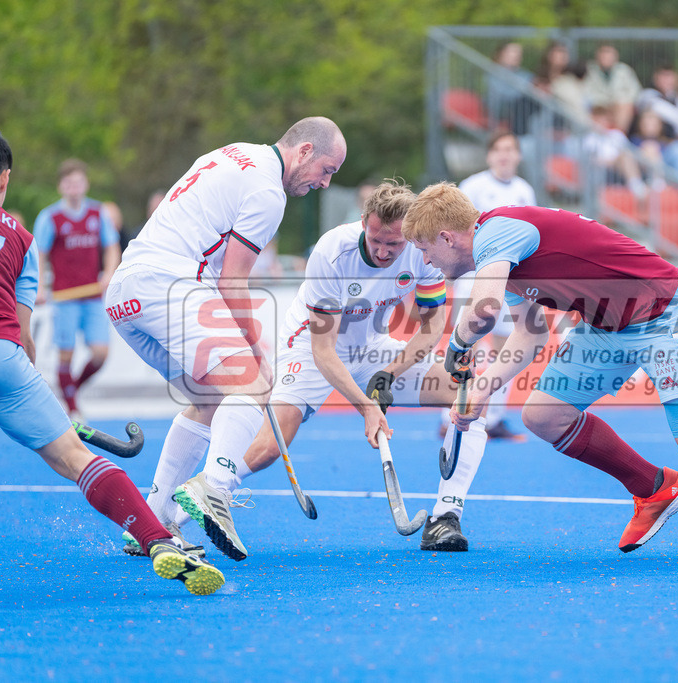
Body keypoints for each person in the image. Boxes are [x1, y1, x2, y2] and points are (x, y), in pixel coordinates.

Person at [402, 182, 678, 561]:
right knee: (543, 416)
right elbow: (529, 336)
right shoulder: (502, 256)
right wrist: (481, 388)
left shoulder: (497, 234)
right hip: (606, 326)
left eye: (425, 251)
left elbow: (481, 310)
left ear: (447, 237)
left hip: (664, 312)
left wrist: (455, 349)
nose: (428, 263)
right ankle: (653, 488)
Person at [169, 181, 489, 558]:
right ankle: (174, 514)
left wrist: (390, 374)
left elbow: (432, 326)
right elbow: (324, 351)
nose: (385, 251)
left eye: (394, 244)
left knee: (470, 396)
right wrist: (367, 407)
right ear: (363, 223)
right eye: (376, 240)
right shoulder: (333, 252)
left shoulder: (421, 250)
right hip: (308, 348)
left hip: (371, 348)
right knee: (272, 447)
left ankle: (445, 517)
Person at [104, 117, 347, 555]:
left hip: (126, 293)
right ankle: (213, 488)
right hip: (167, 286)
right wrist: (257, 352)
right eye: (327, 170)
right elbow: (232, 281)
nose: (326, 183)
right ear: (305, 151)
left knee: (210, 401)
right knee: (251, 386)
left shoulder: (235, 152)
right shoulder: (269, 192)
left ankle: (153, 524)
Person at [0, 130, 224, 595]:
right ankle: (157, 539)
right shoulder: (20, 236)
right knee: (77, 459)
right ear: (4, 180)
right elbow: (20, 336)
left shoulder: (76, 219)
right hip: (6, 358)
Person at [449, 133, 537, 442]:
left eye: (510, 150)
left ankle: (494, 417)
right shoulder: (472, 187)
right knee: (466, 345)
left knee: (506, 348)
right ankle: (451, 415)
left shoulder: (524, 191)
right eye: (498, 149)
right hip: (475, 278)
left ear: (518, 156)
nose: (504, 155)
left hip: (509, 281)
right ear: (489, 156)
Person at [33, 159, 121, 420]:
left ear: (86, 184)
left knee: (100, 354)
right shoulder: (50, 217)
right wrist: (39, 287)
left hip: (92, 296)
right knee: (66, 354)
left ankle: (71, 390)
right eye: (68, 183)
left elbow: (112, 247)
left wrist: (109, 272)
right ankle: (72, 408)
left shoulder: (98, 214)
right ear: (61, 186)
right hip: (64, 297)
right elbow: (39, 254)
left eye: (78, 182)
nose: (73, 188)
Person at [585, 43, 642, 135]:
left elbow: (635, 92)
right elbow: (586, 93)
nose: (606, 57)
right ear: (597, 56)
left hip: (619, 106)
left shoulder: (624, 71)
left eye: (609, 54)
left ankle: (618, 136)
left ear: (616, 56)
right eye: (603, 53)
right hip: (598, 106)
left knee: (624, 105)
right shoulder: (590, 70)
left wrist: (616, 102)